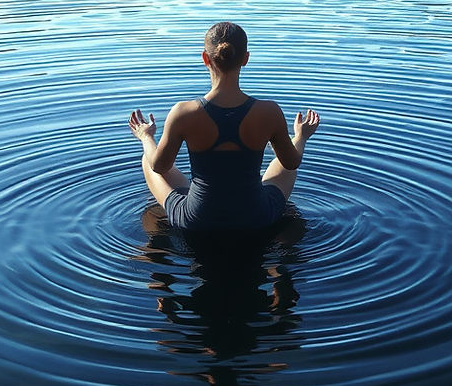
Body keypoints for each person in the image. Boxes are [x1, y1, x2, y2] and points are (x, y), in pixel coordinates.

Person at [128, 21, 320, 231]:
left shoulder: (183, 112)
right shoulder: (269, 111)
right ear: (246, 59)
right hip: (256, 218)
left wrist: (146, 136)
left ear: (205, 58)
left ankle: (156, 241)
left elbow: (159, 166)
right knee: (285, 160)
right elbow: (292, 163)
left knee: (148, 159)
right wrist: (301, 136)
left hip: (198, 221)